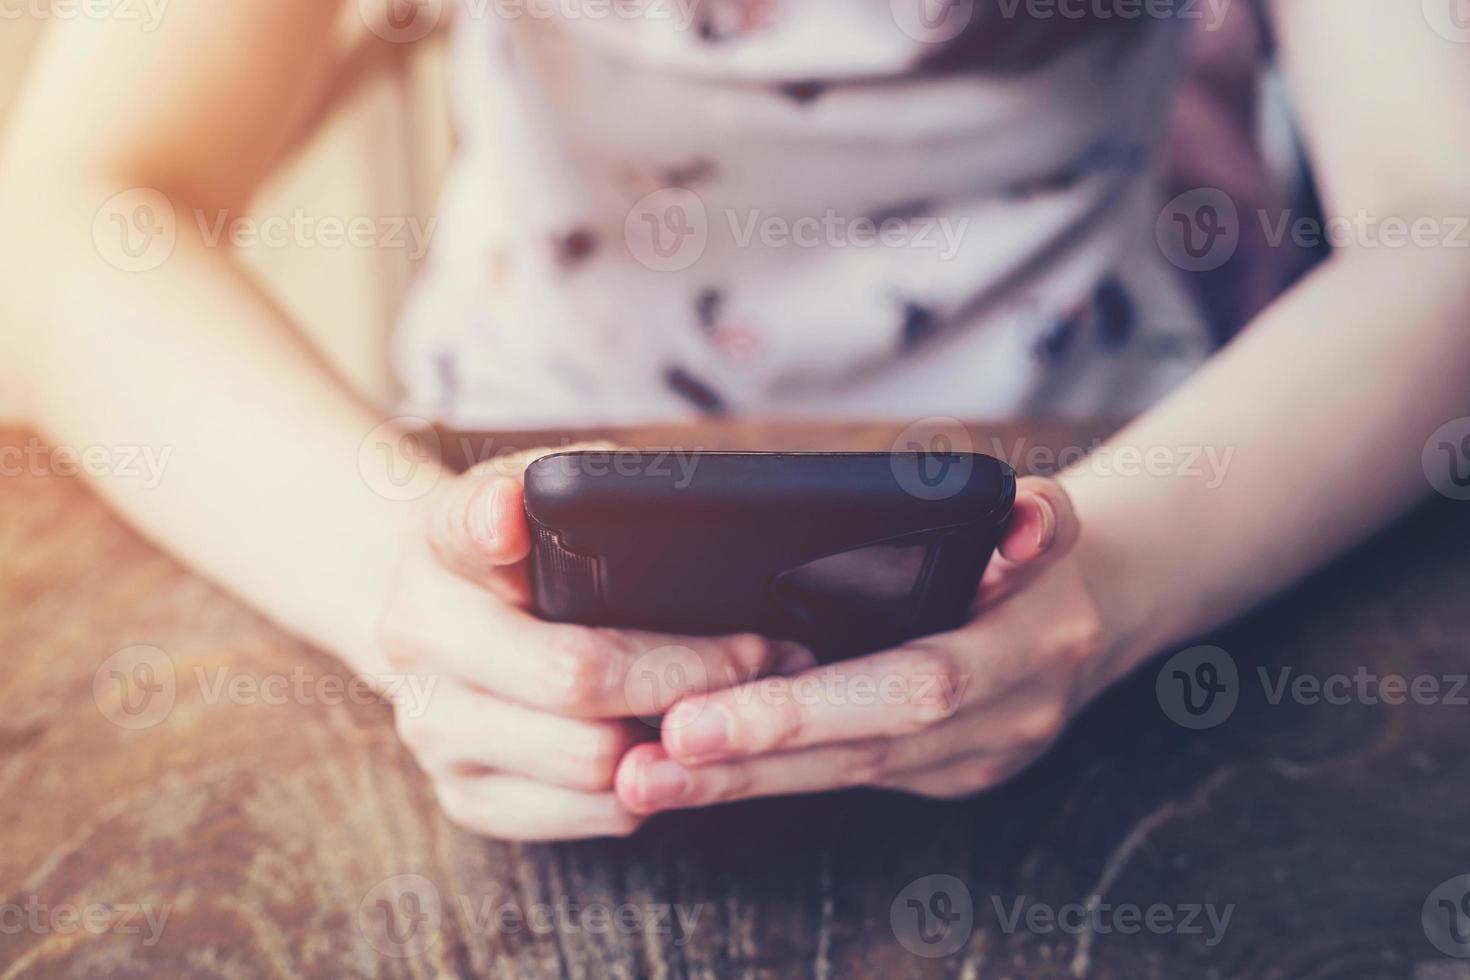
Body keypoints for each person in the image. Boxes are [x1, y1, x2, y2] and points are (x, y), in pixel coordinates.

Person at [0, 0, 1466, 841]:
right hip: (500, 472)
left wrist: (1135, 569)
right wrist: (386, 582)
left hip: (1117, 477)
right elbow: (63, 213)